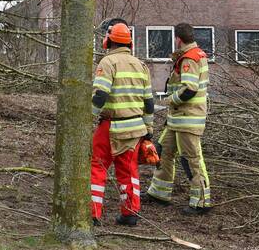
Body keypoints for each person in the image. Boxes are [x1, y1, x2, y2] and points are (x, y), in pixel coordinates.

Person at [91, 20, 154, 226]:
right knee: (128, 171)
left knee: (98, 167)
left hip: (111, 125)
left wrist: (87, 117)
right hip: (135, 127)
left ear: (108, 42)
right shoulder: (141, 66)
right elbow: (149, 102)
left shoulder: (107, 63)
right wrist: (149, 130)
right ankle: (130, 214)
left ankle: (92, 213)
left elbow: (100, 95)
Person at [146, 22, 212, 215]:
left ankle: (201, 202)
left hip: (187, 119)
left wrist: (168, 101)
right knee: (163, 151)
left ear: (178, 38)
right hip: (178, 119)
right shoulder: (192, 55)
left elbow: (190, 89)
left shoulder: (189, 59)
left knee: (191, 159)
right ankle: (159, 193)